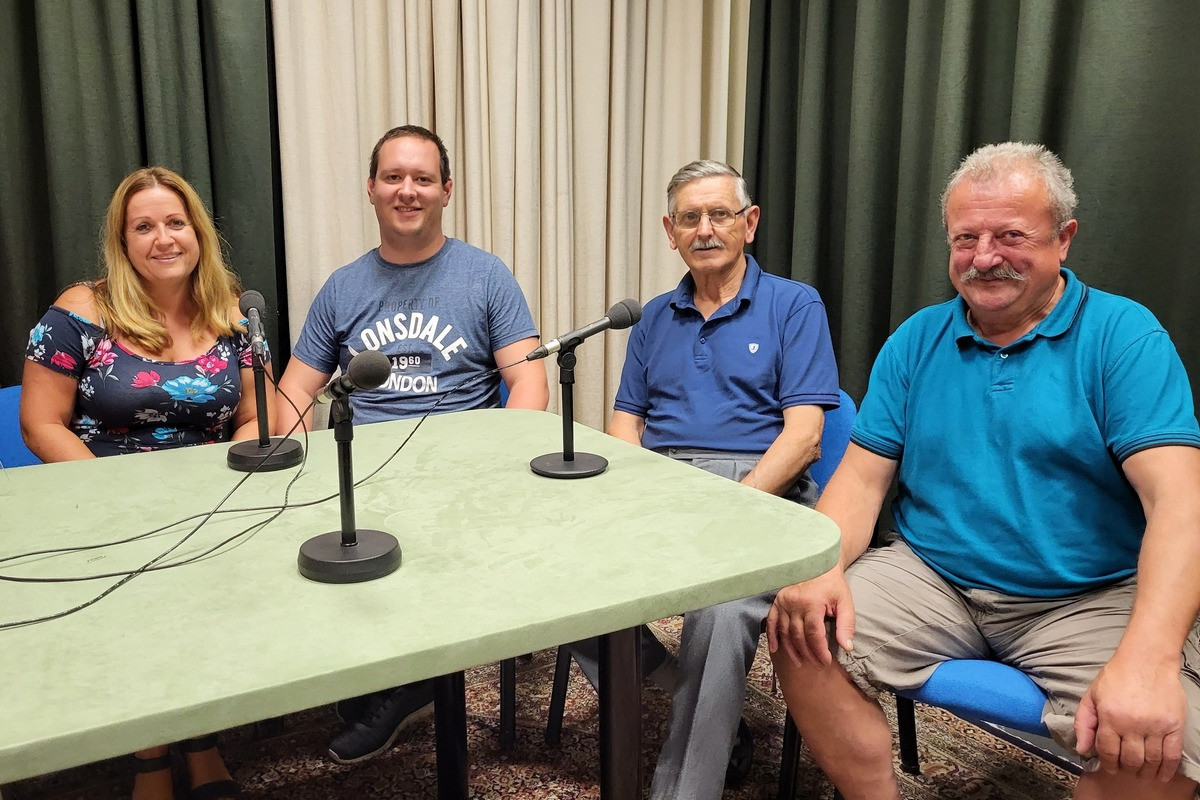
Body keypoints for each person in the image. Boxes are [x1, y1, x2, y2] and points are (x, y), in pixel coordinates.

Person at [767, 142, 1200, 800]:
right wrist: (818, 567)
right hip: (935, 574)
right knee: (802, 630)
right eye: (966, 237)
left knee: (1154, 745)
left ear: (1064, 240)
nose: (985, 256)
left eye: (1010, 235)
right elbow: (860, 480)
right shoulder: (916, 340)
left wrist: (1150, 657)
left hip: (1086, 595)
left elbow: (1181, 504)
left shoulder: (1124, 338)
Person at [274, 124, 549, 764]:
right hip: (363, 471)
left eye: (423, 179)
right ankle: (380, 674)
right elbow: (293, 392)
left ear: (446, 191)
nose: (408, 191)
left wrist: (493, 461)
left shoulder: (485, 276)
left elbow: (528, 378)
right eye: (394, 177)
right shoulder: (343, 287)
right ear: (371, 189)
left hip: (463, 470)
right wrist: (291, 475)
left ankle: (407, 683)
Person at [569, 160, 839, 798]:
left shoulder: (794, 305)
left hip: (760, 488)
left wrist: (727, 509)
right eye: (690, 218)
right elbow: (624, 425)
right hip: (663, 487)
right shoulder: (653, 318)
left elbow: (803, 439)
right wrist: (643, 497)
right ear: (670, 231)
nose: (705, 228)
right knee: (561, 580)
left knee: (721, 609)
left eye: (720, 214)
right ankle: (689, 693)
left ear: (749, 223)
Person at [21, 166, 257, 799]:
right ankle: (151, 758)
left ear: (198, 233)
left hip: (209, 504)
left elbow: (255, 416)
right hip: (107, 501)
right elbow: (41, 422)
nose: (163, 238)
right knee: (146, 608)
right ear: (122, 243)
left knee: (208, 605)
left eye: (175, 223)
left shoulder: (231, 310)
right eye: (143, 226)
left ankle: (204, 740)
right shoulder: (80, 311)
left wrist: (230, 481)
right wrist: (115, 499)